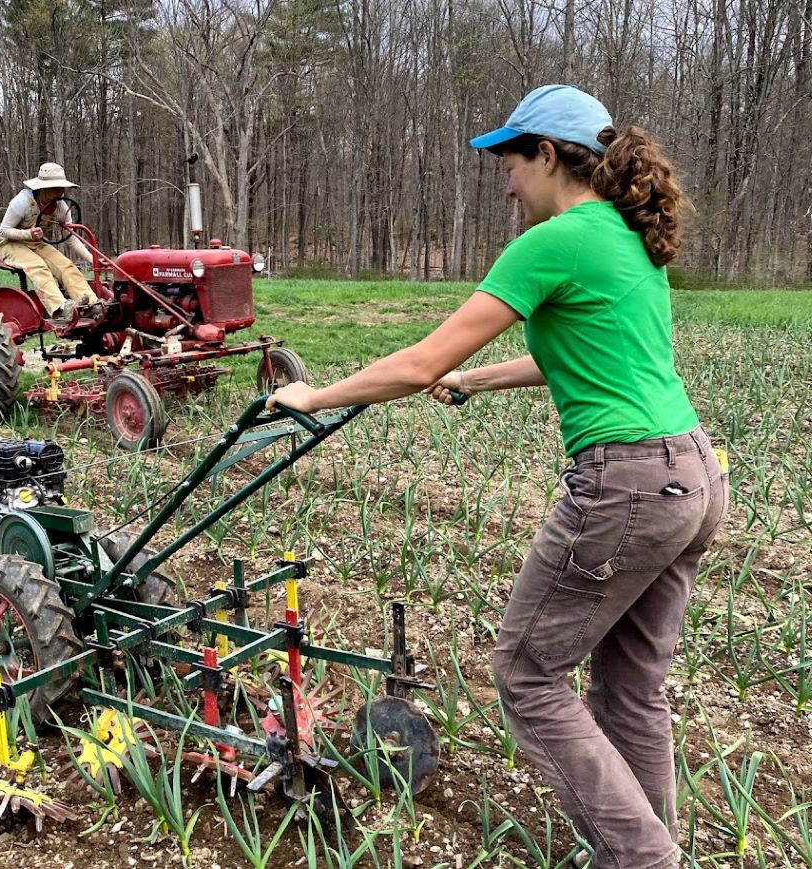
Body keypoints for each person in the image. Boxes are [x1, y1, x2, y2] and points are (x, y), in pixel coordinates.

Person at [267, 85, 728, 869]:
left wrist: (314, 393)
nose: (506, 182)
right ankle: (650, 845)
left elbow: (420, 361)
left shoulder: (552, 241)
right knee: (630, 690)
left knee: (525, 675)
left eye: (510, 162)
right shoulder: (621, 236)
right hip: (692, 473)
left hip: (623, 485)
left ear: (547, 155)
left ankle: (644, 858)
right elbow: (582, 357)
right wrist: (477, 382)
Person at [0, 161, 101, 320]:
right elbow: (3, 230)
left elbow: (71, 238)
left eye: (61, 188)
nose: (61, 192)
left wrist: (92, 259)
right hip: (10, 244)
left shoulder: (61, 207)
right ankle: (60, 308)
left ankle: (91, 305)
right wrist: (27, 234)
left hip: (36, 243)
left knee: (66, 266)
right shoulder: (22, 202)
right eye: (56, 188)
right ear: (43, 188)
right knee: (38, 267)